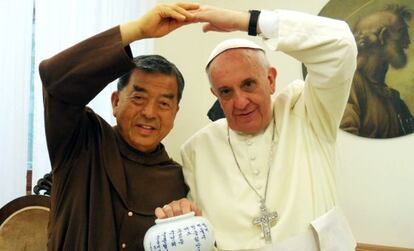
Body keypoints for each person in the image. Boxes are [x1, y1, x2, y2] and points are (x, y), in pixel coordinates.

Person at [156, 5, 358, 251]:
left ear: (271, 80)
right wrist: (182, 220)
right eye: (226, 92)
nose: (240, 102)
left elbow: (341, 44)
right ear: (215, 94)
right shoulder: (198, 150)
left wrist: (248, 21)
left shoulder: (308, 113)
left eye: (249, 84)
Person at [39, 3, 201, 251]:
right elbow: (55, 78)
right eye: (138, 98)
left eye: (164, 103)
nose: (149, 112)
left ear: (175, 113)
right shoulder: (81, 140)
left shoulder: (178, 180)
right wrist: (137, 30)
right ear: (115, 102)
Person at [340, 5, 414, 138]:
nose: (408, 41)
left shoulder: (394, 100)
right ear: (383, 36)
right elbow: (345, 143)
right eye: (402, 33)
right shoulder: (349, 84)